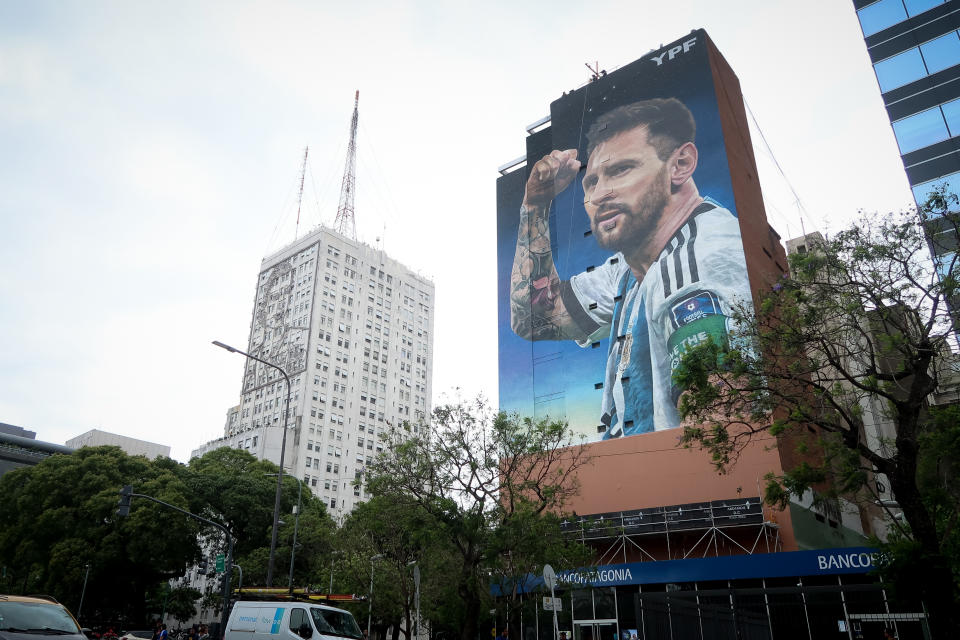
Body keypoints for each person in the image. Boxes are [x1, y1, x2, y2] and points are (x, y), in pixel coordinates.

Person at [510, 97, 752, 437]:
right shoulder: (631, 267)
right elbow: (532, 318)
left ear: (680, 164)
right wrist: (535, 202)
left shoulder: (693, 261)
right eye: (591, 182)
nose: (599, 195)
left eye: (621, 170)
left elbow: (723, 434)